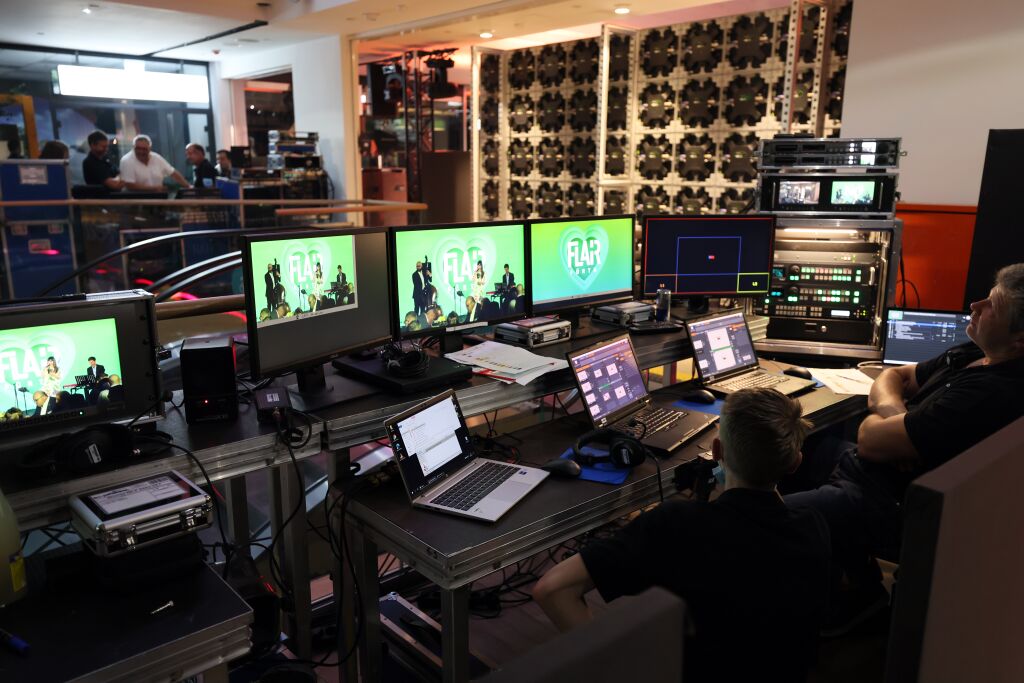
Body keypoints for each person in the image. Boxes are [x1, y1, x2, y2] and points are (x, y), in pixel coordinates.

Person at [785, 263, 1024, 632]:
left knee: (765, 518)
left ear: (1019, 340)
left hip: (882, 500)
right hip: (869, 471)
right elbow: (894, 375)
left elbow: (868, 437)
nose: (975, 305)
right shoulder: (975, 353)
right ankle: (853, 582)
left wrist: (888, 428)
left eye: (993, 305)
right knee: (807, 444)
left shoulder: (988, 394)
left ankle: (834, 588)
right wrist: (899, 417)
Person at [533, 388, 831, 682]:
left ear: (717, 451)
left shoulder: (677, 526)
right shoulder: (813, 528)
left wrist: (618, 666)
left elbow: (553, 589)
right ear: (795, 462)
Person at [119, 134, 189, 192]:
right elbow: (129, 185)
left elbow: (173, 173)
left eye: (144, 149)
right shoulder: (126, 160)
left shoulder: (156, 158)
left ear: (150, 148)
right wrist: (154, 188)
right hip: (137, 200)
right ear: (133, 147)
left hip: (158, 198)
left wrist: (188, 187)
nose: (141, 152)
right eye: (138, 148)